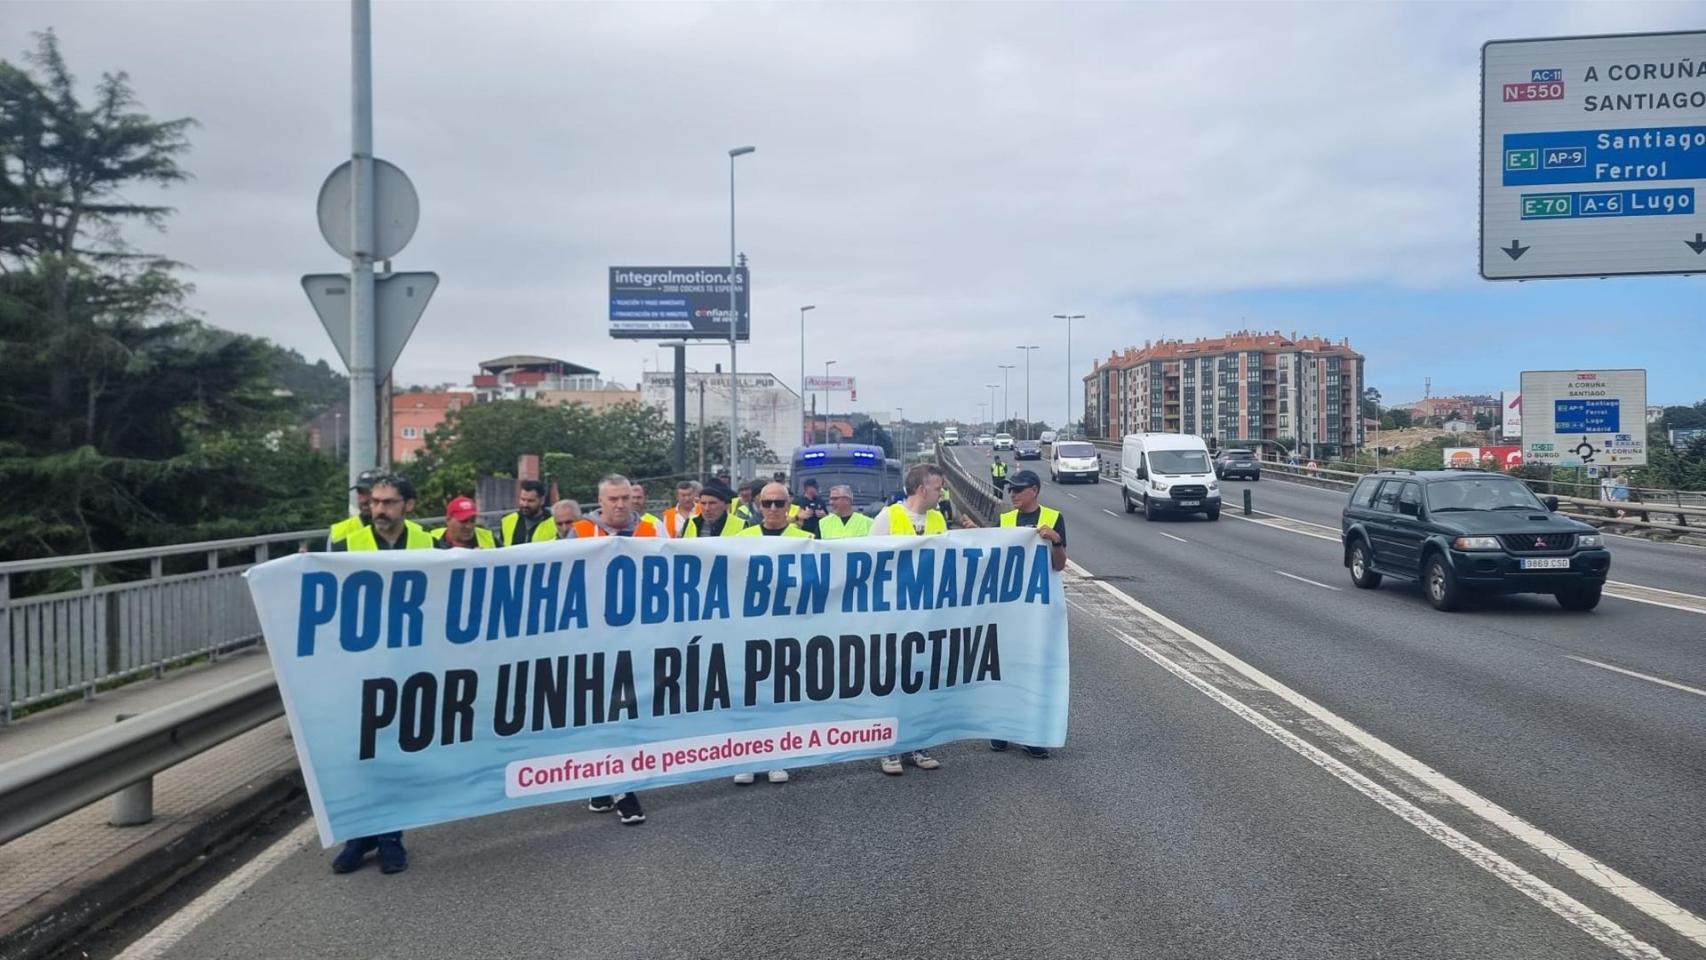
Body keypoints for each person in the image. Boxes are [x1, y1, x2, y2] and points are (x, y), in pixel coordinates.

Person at [329, 475, 433, 874]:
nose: (379, 510)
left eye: (389, 502)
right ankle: (361, 833)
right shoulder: (345, 546)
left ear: (408, 505)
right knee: (362, 753)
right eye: (374, 502)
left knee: (395, 751)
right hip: (362, 666)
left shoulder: (429, 543)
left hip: (410, 665)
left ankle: (390, 836)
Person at [566, 474, 655, 825]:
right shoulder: (581, 532)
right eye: (612, 499)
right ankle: (619, 786)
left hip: (637, 636)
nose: (620, 505)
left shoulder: (652, 531)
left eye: (625, 498)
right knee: (604, 711)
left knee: (627, 710)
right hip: (595, 638)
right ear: (600, 501)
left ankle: (610, 785)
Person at [865, 463, 949, 774]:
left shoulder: (938, 518)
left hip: (928, 616)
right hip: (895, 617)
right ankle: (889, 748)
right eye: (938, 487)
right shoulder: (889, 517)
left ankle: (918, 744)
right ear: (921, 489)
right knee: (893, 682)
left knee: (923, 681)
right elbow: (869, 560)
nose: (941, 493)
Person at [730, 481, 812, 785]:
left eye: (780, 503)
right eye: (767, 503)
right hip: (750, 630)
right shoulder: (741, 539)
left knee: (780, 695)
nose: (774, 509)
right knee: (747, 695)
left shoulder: (806, 539)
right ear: (758, 506)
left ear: (789, 506)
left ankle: (778, 756)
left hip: (788, 630)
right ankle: (746, 758)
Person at [989, 470, 1066, 759]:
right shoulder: (1005, 519)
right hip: (1009, 608)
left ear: (1034, 490)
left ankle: (1031, 733)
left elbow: (1059, 566)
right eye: (1011, 491)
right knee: (1003, 669)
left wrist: (1055, 540)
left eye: (1019, 490)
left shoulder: (1054, 517)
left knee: (1033, 672)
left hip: (1038, 609)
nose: (1013, 495)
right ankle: (1000, 728)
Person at [326, 469, 382, 549]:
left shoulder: (400, 528)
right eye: (360, 492)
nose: (363, 499)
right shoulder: (338, 531)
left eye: (369, 492)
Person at [500, 479, 557, 547]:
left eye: (530, 501)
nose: (525, 504)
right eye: (523, 499)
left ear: (542, 500)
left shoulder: (556, 523)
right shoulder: (507, 520)